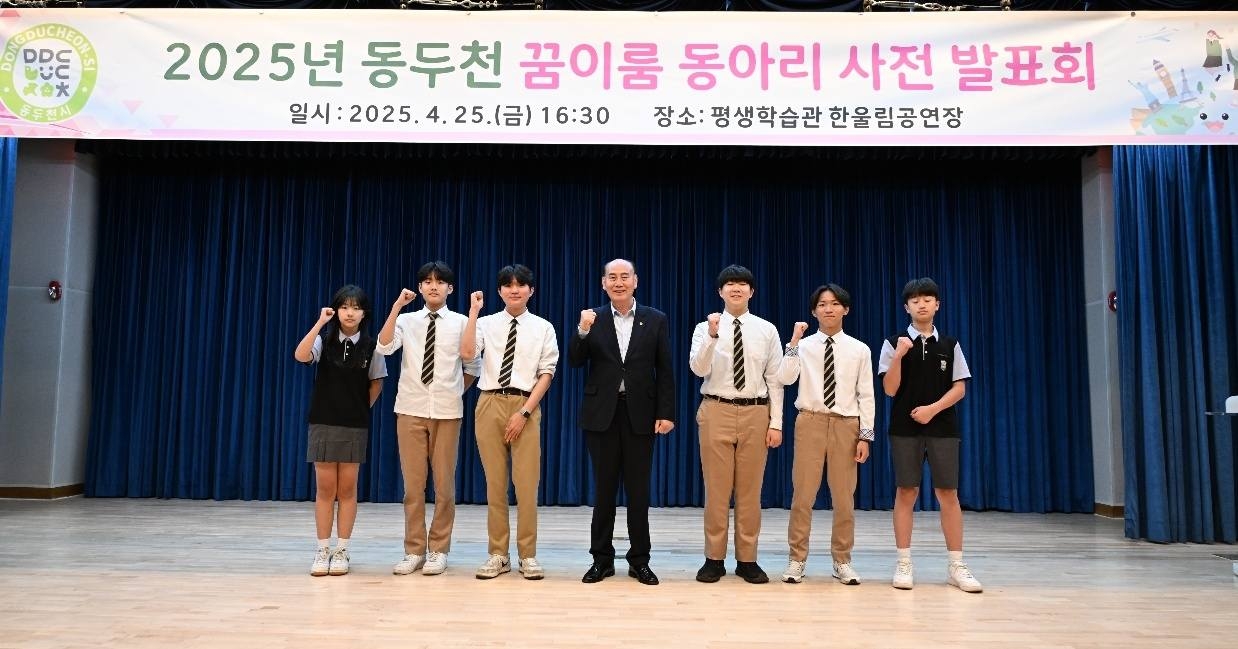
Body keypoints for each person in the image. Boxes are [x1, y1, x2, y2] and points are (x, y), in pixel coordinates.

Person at [569, 259, 676, 586]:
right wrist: (582, 330)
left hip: (641, 414)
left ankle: (639, 560)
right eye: (612, 277)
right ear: (603, 283)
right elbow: (574, 360)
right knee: (603, 492)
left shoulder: (655, 319)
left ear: (635, 281)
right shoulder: (593, 318)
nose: (619, 282)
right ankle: (601, 560)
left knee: (638, 492)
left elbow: (665, 369)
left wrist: (666, 413)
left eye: (624, 277)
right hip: (602, 414)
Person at [878, 277, 982, 593]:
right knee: (906, 492)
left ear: (937, 304)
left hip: (943, 428)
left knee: (948, 493)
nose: (921, 304)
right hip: (904, 428)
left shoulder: (950, 345)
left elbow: (960, 388)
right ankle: (904, 563)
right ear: (906, 307)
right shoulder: (892, 343)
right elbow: (889, 389)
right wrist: (899, 355)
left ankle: (956, 565)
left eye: (927, 299)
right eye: (915, 300)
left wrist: (932, 410)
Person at [376, 262, 480, 576]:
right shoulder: (406, 320)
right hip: (410, 409)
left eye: (440, 281)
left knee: (444, 486)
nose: (434, 286)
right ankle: (414, 550)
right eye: (427, 281)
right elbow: (384, 346)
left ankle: (438, 550)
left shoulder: (462, 322)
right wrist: (396, 306)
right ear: (420, 287)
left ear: (450, 288)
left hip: (447, 412)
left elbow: (472, 367)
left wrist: (452, 392)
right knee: (413, 486)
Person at [460, 264, 559, 580]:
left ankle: (528, 555)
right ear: (500, 291)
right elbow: (467, 353)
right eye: (508, 285)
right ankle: (498, 554)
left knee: (527, 486)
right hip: (489, 401)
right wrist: (473, 312)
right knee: (495, 485)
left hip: (525, 403)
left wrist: (524, 413)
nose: (514, 290)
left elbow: (547, 373)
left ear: (531, 290)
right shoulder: (485, 323)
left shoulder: (543, 327)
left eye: (520, 285)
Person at [688, 264, 784, 584]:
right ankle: (713, 558)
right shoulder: (705, 328)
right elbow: (698, 369)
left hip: (756, 412)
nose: (736, 288)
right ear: (720, 291)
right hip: (717, 409)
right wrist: (712, 336)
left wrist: (776, 422)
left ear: (751, 291)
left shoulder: (766, 330)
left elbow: (775, 379)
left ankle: (747, 559)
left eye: (742, 284)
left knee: (750, 492)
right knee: (716, 491)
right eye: (729, 284)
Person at [777, 284, 875, 585]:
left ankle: (842, 560)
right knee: (803, 495)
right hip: (811, 420)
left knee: (844, 497)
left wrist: (865, 435)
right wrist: (793, 341)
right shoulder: (804, 346)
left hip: (846, 424)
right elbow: (785, 378)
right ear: (813, 311)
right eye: (822, 304)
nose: (828, 309)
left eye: (834, 303)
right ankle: (797, 559)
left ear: (846, 309)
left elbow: (866, 394)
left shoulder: (859, 349)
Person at [293, 284, 386, 577]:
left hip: (354, 425)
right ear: (336, 311)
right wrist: (320, 323)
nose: (350, 313)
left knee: (347, 490)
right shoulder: (324, 341)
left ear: (364, 313)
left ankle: (342, 549)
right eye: (344, 307)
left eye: (356, 308)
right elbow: (301, 355)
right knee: (325, 489)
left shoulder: (372, 346)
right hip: (322, 422)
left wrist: (358, 409)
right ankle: (322, 549)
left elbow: (377, 383)